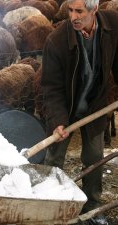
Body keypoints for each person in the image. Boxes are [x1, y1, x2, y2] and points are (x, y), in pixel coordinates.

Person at [40, 0, 118, 224]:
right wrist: (58, 120)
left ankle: (93, 205)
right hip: (66, 108)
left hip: (95, 105)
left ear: (94, 10)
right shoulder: (56, 42)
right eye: (70, 10)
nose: (73, 16)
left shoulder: (112, 26)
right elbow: (50, 87)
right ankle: (48, 203)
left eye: (79, 11)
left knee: (94, 158)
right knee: (54, 156)